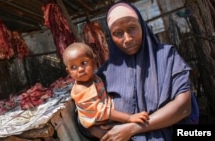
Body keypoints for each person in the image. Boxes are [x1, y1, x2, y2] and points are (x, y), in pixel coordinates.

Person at [83, 1, 199, 141]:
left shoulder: (167, 57)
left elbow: (183, 107)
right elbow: (86, 112)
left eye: (132, 28)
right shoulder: (105, 74)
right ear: (111, 38)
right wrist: (101, 133)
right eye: (118, 33)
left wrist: (132, 128)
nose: (127, 38)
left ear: (142, 27)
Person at [62, 42, 149, 139]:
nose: (80, 69)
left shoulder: (94, 78)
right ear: (68, 72)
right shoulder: (81, 88)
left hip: (105, 119)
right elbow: (102, 111)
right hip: (97, 125)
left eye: (84, 63)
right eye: (73, 67)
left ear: (94, 62)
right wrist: (129, 118)